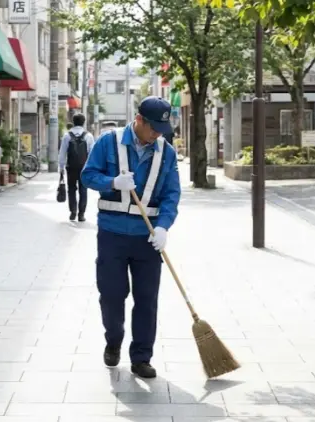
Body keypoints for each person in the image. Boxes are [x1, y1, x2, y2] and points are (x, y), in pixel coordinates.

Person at [81, 96, 181, 379]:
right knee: (112, 295)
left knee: (147, 299)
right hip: (112, 234)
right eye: (154, 128)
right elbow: (88, 175)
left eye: (163, 128)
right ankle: (113, 339)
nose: (158, 134)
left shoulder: (167, 152)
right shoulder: (108, 142)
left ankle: (141, 357)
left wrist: (163, 227)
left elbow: (172, 194)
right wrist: (111, 182)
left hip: (147, 238)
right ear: (138, 120)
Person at [59, 113, 95, 221]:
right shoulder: (88, 136)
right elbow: (92, 153)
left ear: (73, 122)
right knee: (83, 190)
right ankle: (81, 214)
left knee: (71, 189)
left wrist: (61, 167)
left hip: (71, 167)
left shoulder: (67, 136)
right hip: (84, 168)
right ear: (83, 122)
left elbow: (62, 153)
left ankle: (73, 212)